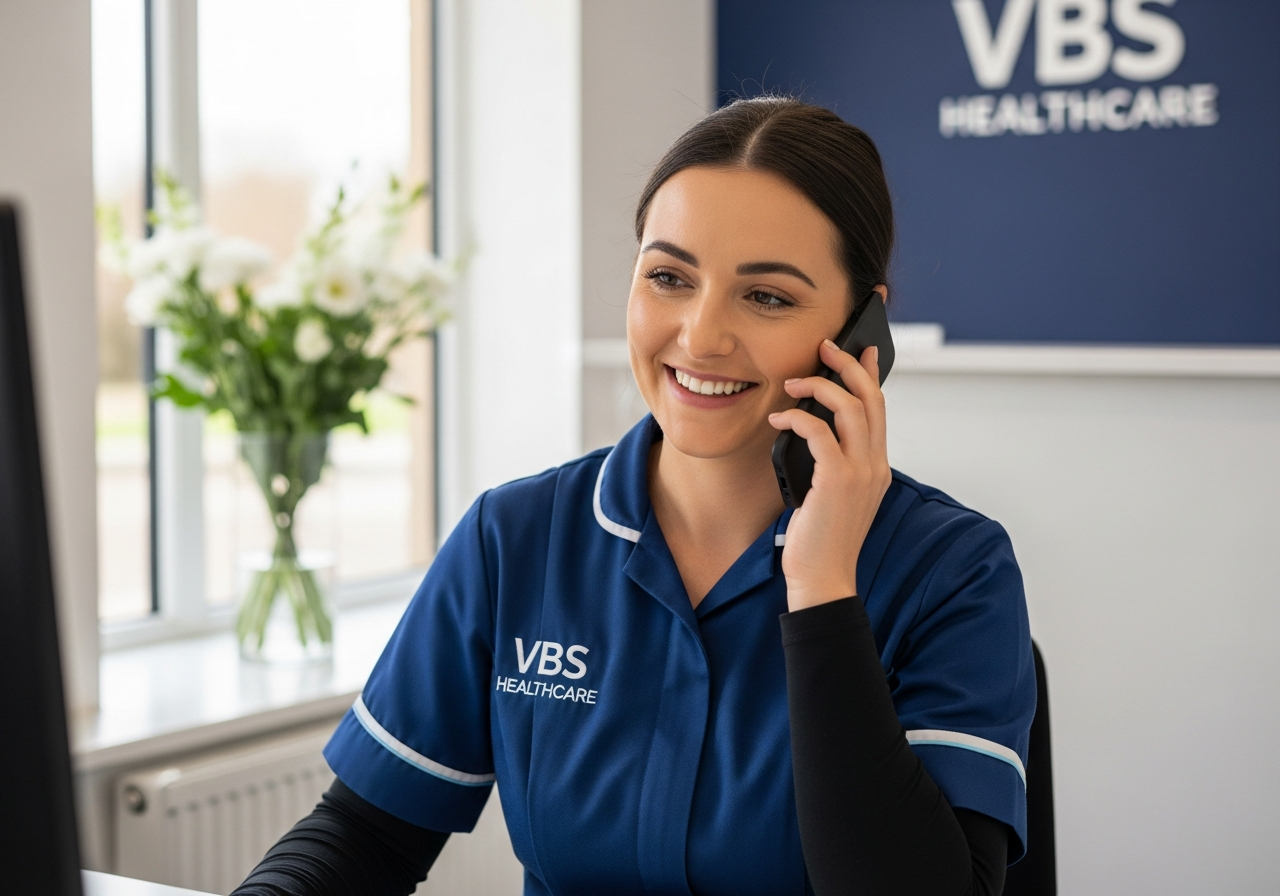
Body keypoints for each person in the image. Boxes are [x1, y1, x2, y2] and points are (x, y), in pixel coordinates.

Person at [233, 96, 1035, 896]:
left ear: (863, 331)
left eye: (767, 296)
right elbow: (365, 834)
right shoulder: (515, 539)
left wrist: (822, 587)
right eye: (669, 278)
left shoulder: (953, 571)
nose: (699, 336)